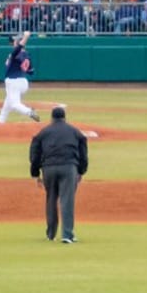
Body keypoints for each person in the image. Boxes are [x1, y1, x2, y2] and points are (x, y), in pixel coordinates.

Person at [28, 103, 89, 243]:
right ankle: (67, 235)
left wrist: (35, 173)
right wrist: (81, 170)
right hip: (68, 167)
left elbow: (35, 152)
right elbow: (83, 151)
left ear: (52, 118)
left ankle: (50, 234)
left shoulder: (44, 132)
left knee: (51, 199)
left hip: (48, 169)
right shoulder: (74, 131)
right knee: (66, 200)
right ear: (64, 117)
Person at [0, 32, 39, 124]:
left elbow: (18, 48)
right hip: (23, 82)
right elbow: (31, 71)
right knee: (6, 108)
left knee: (15, 104)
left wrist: (25, 37)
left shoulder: (16, 53)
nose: (13, 42)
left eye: (15, 41)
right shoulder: (27, 55)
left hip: (13, 82)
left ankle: (30, 112)